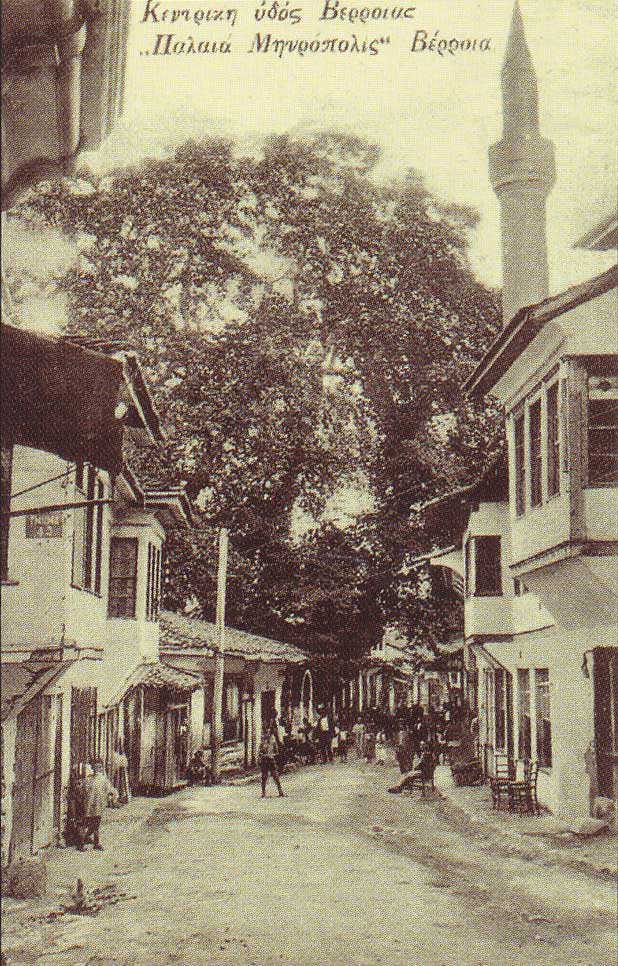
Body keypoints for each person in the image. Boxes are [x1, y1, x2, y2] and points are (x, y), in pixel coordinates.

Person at [77, 760, 118, 851]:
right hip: (88, 806)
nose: (97, 769)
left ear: (101, 768)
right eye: (95, 767)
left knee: (96, 825)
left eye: (99, 767)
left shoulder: (104, 780)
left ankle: (96, 843)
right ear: (92, 768)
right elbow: (81, 792)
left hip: (99, 806)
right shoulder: (87, 780)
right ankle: (81, 844)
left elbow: (111, 791)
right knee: (85, 824)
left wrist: (110, 798)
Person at [259, 727, 285, 798]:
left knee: (275, 776)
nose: (267, 734)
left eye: (268, 732)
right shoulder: (262, 741)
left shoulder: (273, 741)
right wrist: (263, 755)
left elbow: (277, 752)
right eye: (266, 732)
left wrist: (272, 755)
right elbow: (260, 752)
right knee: (264, 777)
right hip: (264, 760)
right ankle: (263, 793)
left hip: (271, 760)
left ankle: (280, 792)